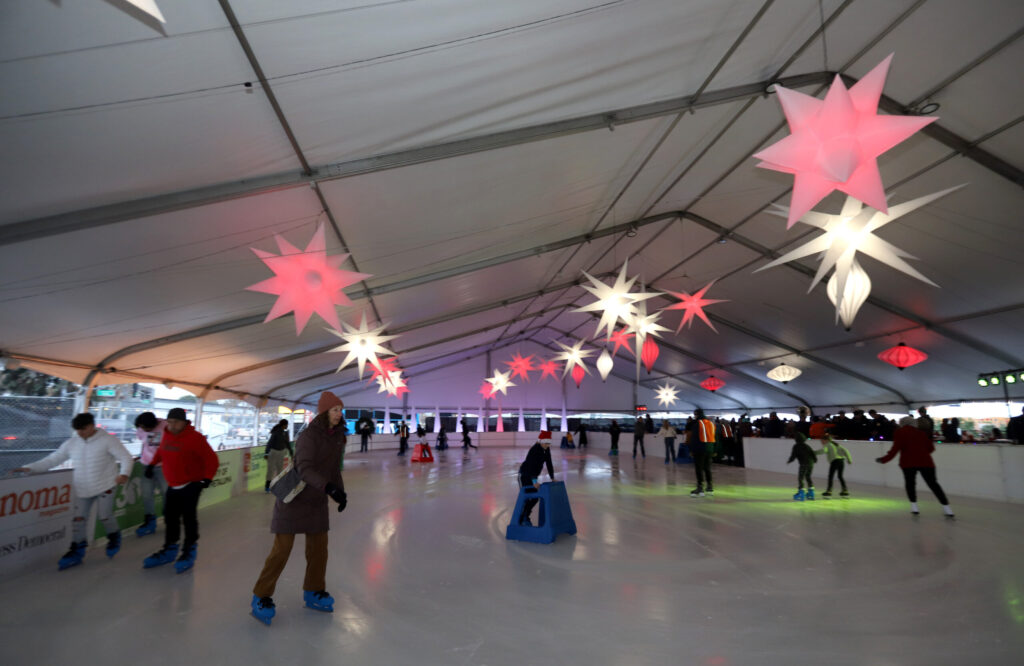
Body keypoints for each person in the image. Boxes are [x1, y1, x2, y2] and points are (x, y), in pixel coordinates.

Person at [251, 392, 348, 625]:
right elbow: (303, 469)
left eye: (340, 410)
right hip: (293, 497)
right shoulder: (308, 436)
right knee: (282, 550)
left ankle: (314, 590)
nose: (339, 414)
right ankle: (261, 595)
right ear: (324, 413)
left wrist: (340, 492)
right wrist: (328, 487)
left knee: (319, 549)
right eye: (334, 410)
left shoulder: (338, 437)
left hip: (317, 500)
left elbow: (334, 470)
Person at [15, 413, 134, 569]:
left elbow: (125, 457)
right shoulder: (72, 443)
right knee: (78, 520)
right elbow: (53, 459)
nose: (80, 433)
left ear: (91, 426)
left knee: (105, 516)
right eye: (77, 430)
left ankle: (114, 536)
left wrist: (124, 474)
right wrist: (30, 468)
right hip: (83, 488)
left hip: (105, 485)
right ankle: (77, 550)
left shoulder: (108, 440)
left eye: (83, 429)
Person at [142, 408, 219, 573]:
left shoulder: (195, 438)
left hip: (191, 484)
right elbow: (161, 452)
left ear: (184, 422)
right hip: (173, 484)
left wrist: (207, 478)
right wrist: (151, 464)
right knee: (170, 517)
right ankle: (170, 548)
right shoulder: (166, 434)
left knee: (189, 518)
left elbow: (212, 459)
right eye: (169, 422)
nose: (172, 425)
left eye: (176, 422)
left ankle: (189, 550)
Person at [876, 416, 954, 517]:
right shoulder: (921, 433)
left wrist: (884, 459)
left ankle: (914, 507)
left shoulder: (899, 432)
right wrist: (921, 453)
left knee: (910, 484)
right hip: (926, 462)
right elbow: (931, 448)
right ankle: (947, 508)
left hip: (908, 463)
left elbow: (895, 449)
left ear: (902, 423)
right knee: (934, 485)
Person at [134, 411, 167, 537]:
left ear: (153, 425)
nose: (143, 430)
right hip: (146, 466)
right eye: (142, 428)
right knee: (147, 494)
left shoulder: (165, 426)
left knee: (166, 493)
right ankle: (150, 522)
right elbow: (145, 444)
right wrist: (140, 456)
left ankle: (170, 518)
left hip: (162, 467)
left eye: (146, 428)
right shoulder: (141, 428)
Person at [516, 431, 556, 526]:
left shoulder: (546, 449)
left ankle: (525, 516)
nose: (547, 445)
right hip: (524, 475)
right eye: (546, 443)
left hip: (533, 475)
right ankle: (520, 519)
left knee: (534, 498)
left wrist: (552, 477)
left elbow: (549, 463)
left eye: (549, 443)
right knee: (526, 498)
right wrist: (534, 481)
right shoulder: (534, 450)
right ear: (541, 441)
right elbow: (531, 466)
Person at [688, 409, 717, 496]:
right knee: (707, 468)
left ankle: (700, 488)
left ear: (697, 415)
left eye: (695, 415)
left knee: (699, 468)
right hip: (709, 448)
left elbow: (694, 437)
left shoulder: (697, 424)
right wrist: (714, 449)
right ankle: (709, 486)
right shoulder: (711, 423)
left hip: (700, 448)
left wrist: (691, 450)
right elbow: (714, 436)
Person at [815, 433, 852, 497]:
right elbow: (846, 451)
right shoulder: (836, 445)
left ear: (826, 440)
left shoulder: (828, 444)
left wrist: (813, 452)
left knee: (831, 476)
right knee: (840, 476)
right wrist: (849, 459)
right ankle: (845, 490)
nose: (821, 442)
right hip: (841, 461)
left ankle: (829, 491)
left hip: (835, 461)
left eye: (822, 440)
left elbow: (823, 451)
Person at [263, 419, 293, 492]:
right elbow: (270, 443)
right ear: (284, 425)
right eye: (287, 425)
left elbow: (287, 443)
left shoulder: (285, 433)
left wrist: (291, 452)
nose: (287, 426)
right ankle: (267, 486)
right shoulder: (276, 432)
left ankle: (278, 485)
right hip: (273, 452)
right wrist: (266, 453)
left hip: (281, 452)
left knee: (280, 470)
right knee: (271, 470)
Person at [787, 432, 817, 501]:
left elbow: (793, 455)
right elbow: (812, 453)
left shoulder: (796, 446)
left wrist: (789, 461)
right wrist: (815, 460)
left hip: (803, 464)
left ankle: (801, 493)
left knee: (801, 478)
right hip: (811, 463)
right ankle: (811, 492)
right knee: (808, 477)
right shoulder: (807, 446)